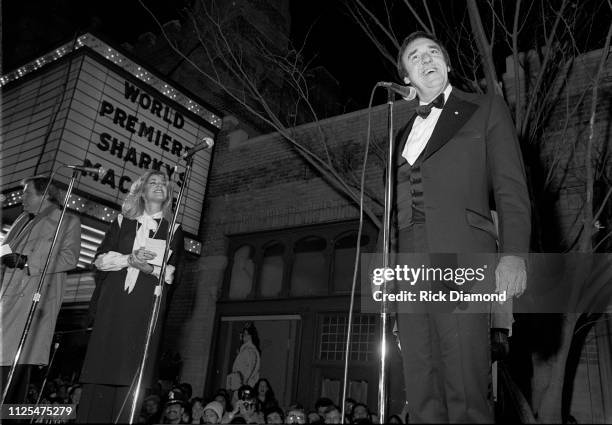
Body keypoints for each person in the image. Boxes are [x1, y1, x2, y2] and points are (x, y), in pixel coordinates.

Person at [388, 31, 531, 423]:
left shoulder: (485, 109)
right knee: (421, 386)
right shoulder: (399, 134)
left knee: (466, 385)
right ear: (406, 80)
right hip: (410, 270)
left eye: (434, 51)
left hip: (462, 255)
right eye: (414, 57)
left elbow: (510, 187)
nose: (426, 59)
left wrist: (514, 253)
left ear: (447, 64)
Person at [77, 170, 184, 423]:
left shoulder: (174, 229)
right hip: (114, 302)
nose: (159, 186)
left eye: (163, 184)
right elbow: (101, 260)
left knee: (132, 373)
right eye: (153, 183)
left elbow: (173, 274)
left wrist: (149, 268)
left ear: (168, 194)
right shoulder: (120, 222)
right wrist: (129, 259)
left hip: (145, 304)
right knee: (101, 366)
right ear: (142, 191)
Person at [0, 176, 81, 402]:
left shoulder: (67, 221)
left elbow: (69, 258)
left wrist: (27, 261)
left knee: (15, 366)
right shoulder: (21, 220)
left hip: (31, 301)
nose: (22, 197)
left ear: (45, 195)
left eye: (27, 192)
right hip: (6, 297)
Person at [226, 322, 261, 392]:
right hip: (239, 385)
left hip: (243, 386)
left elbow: (250, 368)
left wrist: (244, 383)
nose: (243, 336)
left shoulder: (250, 350)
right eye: (243, 334)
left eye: (246, 334)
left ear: (251, 336)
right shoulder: (246, 350)